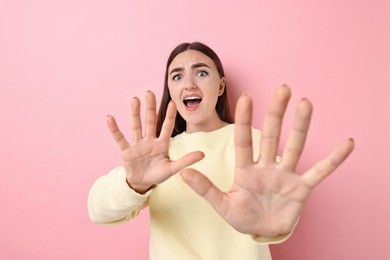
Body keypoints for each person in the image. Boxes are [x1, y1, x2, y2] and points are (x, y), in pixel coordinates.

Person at [88, 42, 354, 259]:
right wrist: (133, 184)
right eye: (177, 76)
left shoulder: (250, 143)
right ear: (170, 89)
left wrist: (269, 224)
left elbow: (278, 207)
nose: (189, 84)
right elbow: (97, 211)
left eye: (201, 72)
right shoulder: (157, 155)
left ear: (220, 86)